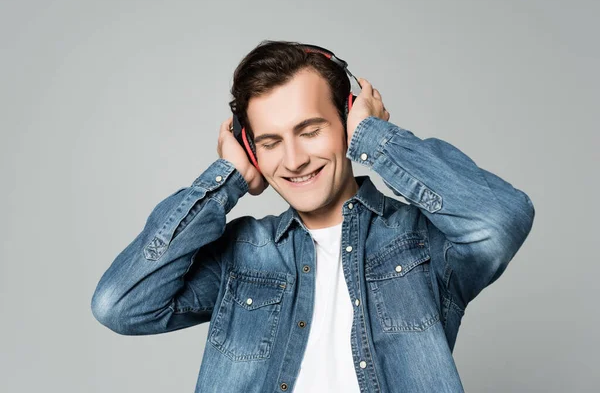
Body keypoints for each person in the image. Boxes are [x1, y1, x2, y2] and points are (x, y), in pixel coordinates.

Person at [91, 40, 535, 393]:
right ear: (251, 151)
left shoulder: (423, 241)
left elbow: (498, 222)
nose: (294, 159)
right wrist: (226, 179)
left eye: (310, 131)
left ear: (346, 121)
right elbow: (121, 304)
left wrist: (375, 139)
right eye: (269, 142)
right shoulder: (243, 255)